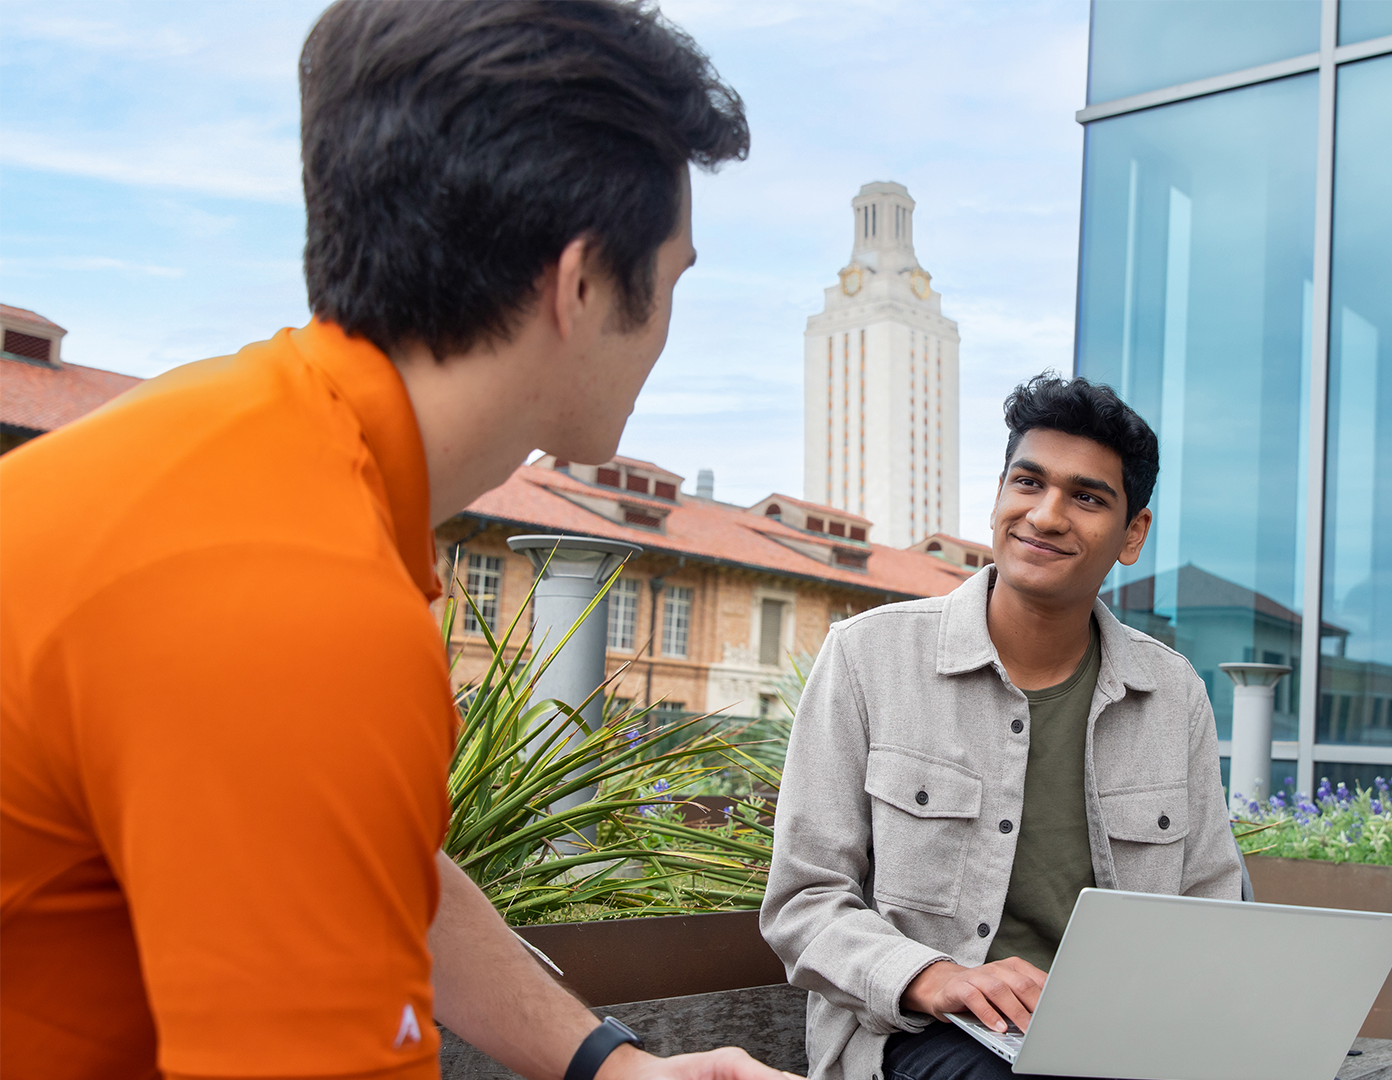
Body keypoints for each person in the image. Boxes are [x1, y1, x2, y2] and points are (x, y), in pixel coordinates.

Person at [0, 4, 790, 1080]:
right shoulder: (297, 601)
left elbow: (371, 864)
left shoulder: (252, 446)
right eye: (675, 280)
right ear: (583, 285)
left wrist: (611, 1062)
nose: (667, 328)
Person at [759, 376, 1242, 1080]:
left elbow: (1212, 906)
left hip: (1118, 1039)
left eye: (1087, 497)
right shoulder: (869, 658)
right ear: (998, 498)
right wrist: (933, 976)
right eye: (1028, 482)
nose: (1045, 516)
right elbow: (804, 901)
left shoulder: (1171, 694)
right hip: (922, 1033)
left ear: (1131, 533)